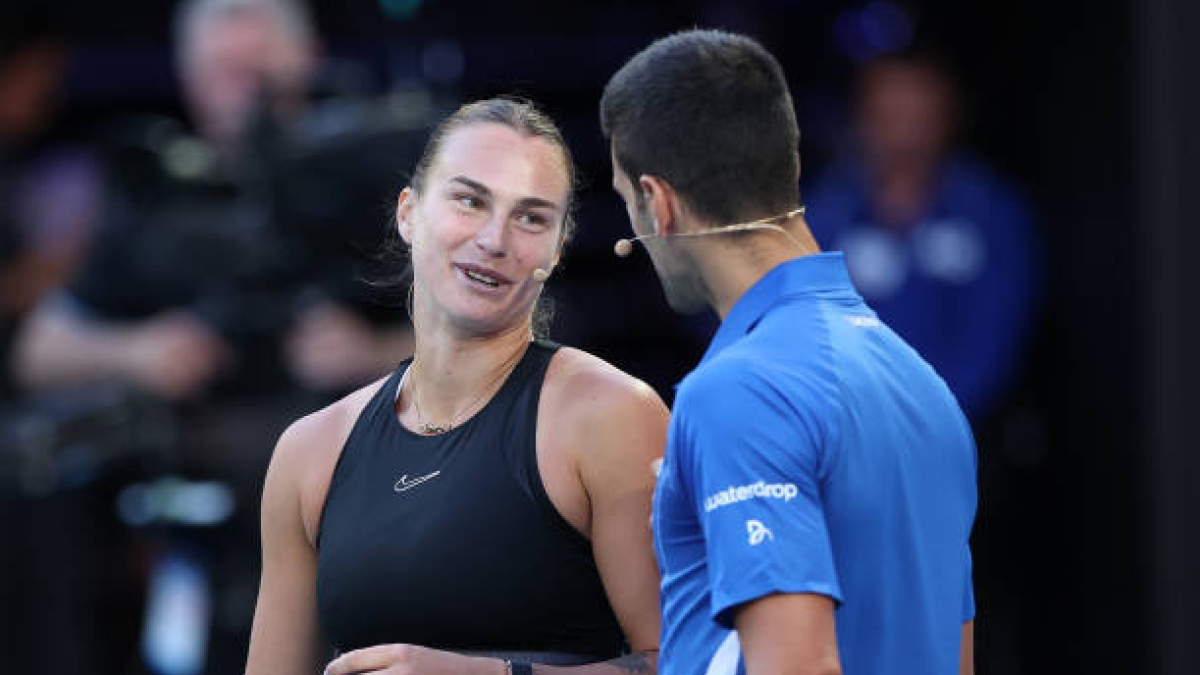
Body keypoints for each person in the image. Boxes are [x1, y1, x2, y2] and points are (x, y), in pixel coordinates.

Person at [246, 98, 667, 675]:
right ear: (408, 213)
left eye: (531, 217)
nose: (495, 239)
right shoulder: (309, 452)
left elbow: (691, 662)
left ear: (557, 248)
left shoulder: (611, 417)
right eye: (470, 200)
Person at [600, 30, 977, 675]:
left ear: (658, 205)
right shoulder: (923, 383)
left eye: (626, 203)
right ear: (791, 167)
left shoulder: (736, 392)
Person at [802, 54, 1039, 419]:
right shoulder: (818, 218)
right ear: (860, 119)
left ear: (949, 118)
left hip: (964, 434)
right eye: (887, 117)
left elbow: (992, 340)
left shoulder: (990, 213)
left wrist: (925, 420)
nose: (903, 137)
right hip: (843, 435)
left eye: (919, 119)